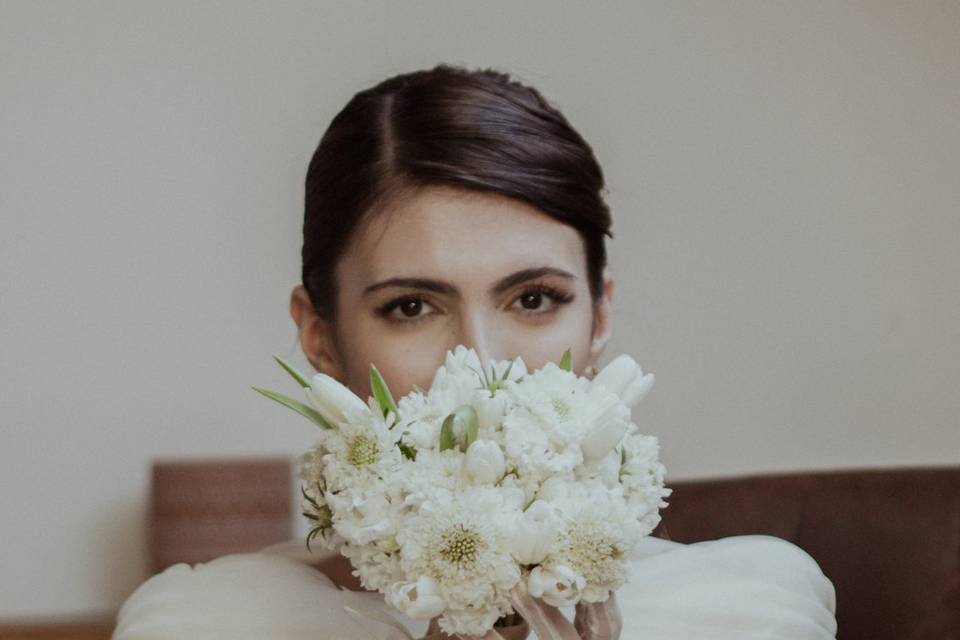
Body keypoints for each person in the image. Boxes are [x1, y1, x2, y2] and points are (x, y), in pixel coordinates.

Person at [112, 63, 837, 639]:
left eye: (533, 299)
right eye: (412, 307)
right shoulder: (203, 625)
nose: (483, 369)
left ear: (599, 316)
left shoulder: (748, 609)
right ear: (319, 336)